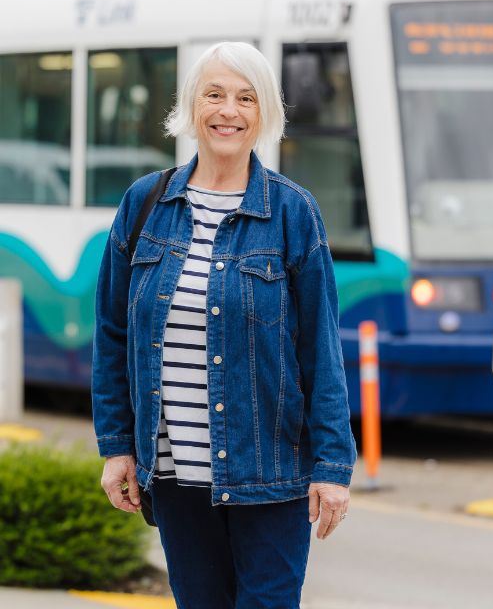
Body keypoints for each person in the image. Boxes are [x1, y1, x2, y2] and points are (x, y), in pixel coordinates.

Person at [92, 41, 357, 609]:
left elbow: (321, 348)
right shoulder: (144, 204)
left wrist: (333, 466)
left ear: (264, 115)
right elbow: (113, 336)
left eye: (245, 98)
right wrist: (117, 448)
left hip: (270, 474)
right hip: (174, 474)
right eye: (213, 95)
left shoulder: (292, 212)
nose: (227, 111)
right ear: (191, 107)